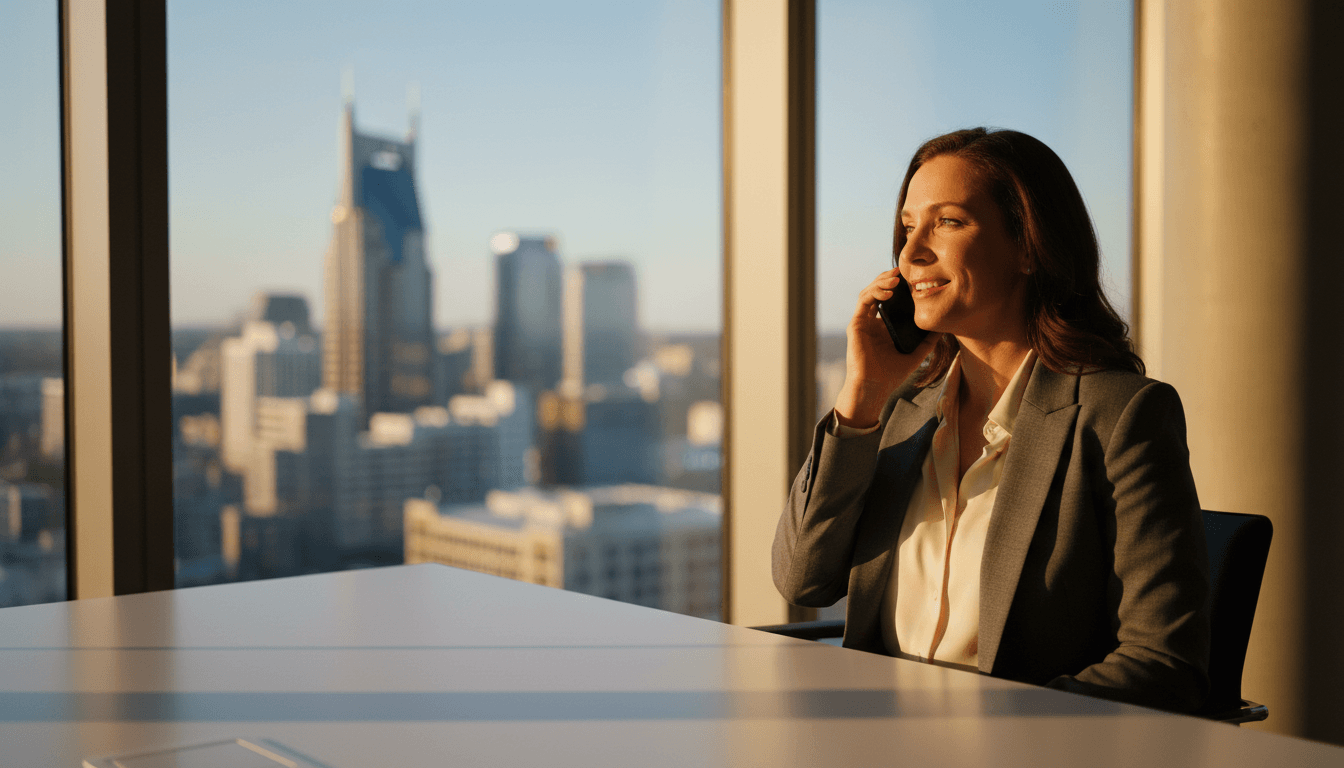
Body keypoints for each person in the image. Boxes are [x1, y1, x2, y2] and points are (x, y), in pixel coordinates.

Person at [772, 128, 1209, 713]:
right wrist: (863, 395)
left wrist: (996, 731)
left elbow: (1164, 661)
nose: (910, 253)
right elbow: (802, 578)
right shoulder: (902, 414)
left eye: (948, 222)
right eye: (908, 227)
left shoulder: (1119, 416)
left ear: (1029, 247)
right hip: (878, 736)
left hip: (1023, 745)